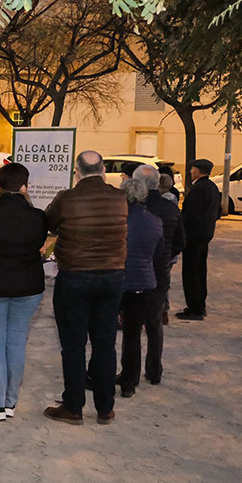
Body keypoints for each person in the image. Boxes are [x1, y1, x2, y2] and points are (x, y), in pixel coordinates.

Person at [43, 150, 127, 426]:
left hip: (75, 278)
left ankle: (73, 406)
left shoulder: (66, 199)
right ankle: (105, 408)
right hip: (113, 277)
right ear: (103, 171)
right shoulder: (119, 198)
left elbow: (49, 223)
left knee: (73, 345)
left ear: (76, 172)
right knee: (105, 344)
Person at [0, 162, 47, 421]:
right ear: (25, 186)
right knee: (16, 343)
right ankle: (9, 402)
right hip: (27, 288)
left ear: (0, 185)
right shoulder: (37, 217)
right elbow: (38, 243)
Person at [117, 176, 166, 398]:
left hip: (119, 281)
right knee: (133, 333)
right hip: (145, 283)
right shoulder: (155, 221)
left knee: (107, 331)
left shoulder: (118, 220)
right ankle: (130, 380)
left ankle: (105, 374)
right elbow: (160, 255)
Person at [133, 165, 184, 369]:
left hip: (136, 273)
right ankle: (154, 370)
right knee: (154, 324)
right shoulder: (170, 208)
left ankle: (131, 374)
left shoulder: (136, 207)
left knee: (133, 327)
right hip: (161, 273)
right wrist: (166, 257)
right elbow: (181, 241)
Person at [177, 158, 221, 320]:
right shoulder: (212, 188)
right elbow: (218, 212)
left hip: (193, 236)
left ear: (198, 171)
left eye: (192, 169)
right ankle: (200, 305)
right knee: (200, 270)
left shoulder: (198, 189)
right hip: (205, 235)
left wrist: (182, 230)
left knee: (191, 272)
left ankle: (194, 308)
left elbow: (190, 216)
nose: (190, 172)